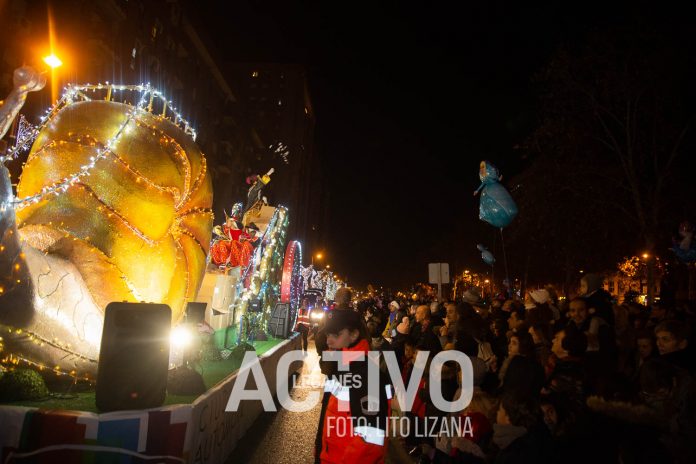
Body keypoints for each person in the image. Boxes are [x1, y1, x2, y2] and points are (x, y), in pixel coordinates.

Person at [315, 309, 391, 464]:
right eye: (327, 334)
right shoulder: (340, 367)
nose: (328, 341)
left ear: (354, 335)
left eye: (335, 334)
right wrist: (319, 448)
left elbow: (370, 440)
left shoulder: (367, 374)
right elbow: (328, 414)